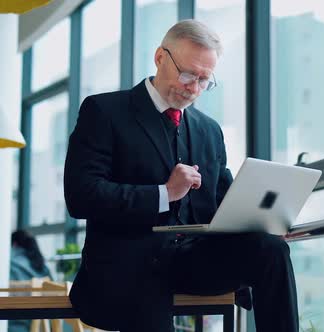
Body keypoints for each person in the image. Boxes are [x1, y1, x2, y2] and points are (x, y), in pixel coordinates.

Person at [63, 20, 298, 331]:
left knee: (271, 250)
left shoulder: (209, 130)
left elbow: (222, 200)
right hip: (132, 263)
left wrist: (264, 220)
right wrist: (164, 193)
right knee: (147, 302)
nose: (194, 87)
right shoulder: (104, 111)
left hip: (194, 259)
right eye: (188, 74)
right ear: (160, 57)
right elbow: (81, 196)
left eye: (204, 80)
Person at [9, 230, 52, 332]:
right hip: (44, 326)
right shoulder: (44, 269)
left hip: (15, 325)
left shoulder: (10, 265)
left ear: (14, 245)